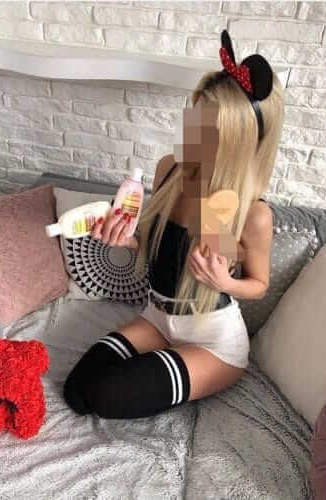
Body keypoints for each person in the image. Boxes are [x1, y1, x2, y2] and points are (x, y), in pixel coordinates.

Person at [63, 30, 284, 419]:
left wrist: (225, 282)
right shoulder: (169, 169)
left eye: (207, 126)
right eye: (194, 114)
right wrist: (128, 238)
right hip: (158, 319)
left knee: (106, 397)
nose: (191, 129)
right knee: (77, 392)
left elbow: (259, 284)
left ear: (235, 141)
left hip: (212, 340)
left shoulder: (253, 213)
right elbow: (156, 243)